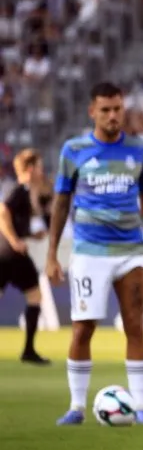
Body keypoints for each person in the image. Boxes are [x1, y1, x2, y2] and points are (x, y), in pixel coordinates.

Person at [48, 83, 143, 425]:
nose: (113, 116)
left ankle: (141, 407)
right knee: (82, 329)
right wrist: (52, 253)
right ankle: (76, 407)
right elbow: (60, 202)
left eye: (118, 108)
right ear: (92, 112)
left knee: (134, 326)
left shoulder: (138, 149)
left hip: (131, 251)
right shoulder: (74, 150)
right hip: (89, 252)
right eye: (106, 110)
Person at [0, 149, 51, 365]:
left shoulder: (26, 191)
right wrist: (14, 240)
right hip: (9, 252)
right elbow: (2, 212)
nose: (41, 171)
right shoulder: (19, 189)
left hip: (9, 251)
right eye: (39, 166)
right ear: (30, 169)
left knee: (34, 295)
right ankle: (28, 350)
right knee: (35, 296)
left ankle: (29, 350)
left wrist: (30, 235)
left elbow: (16, 221)